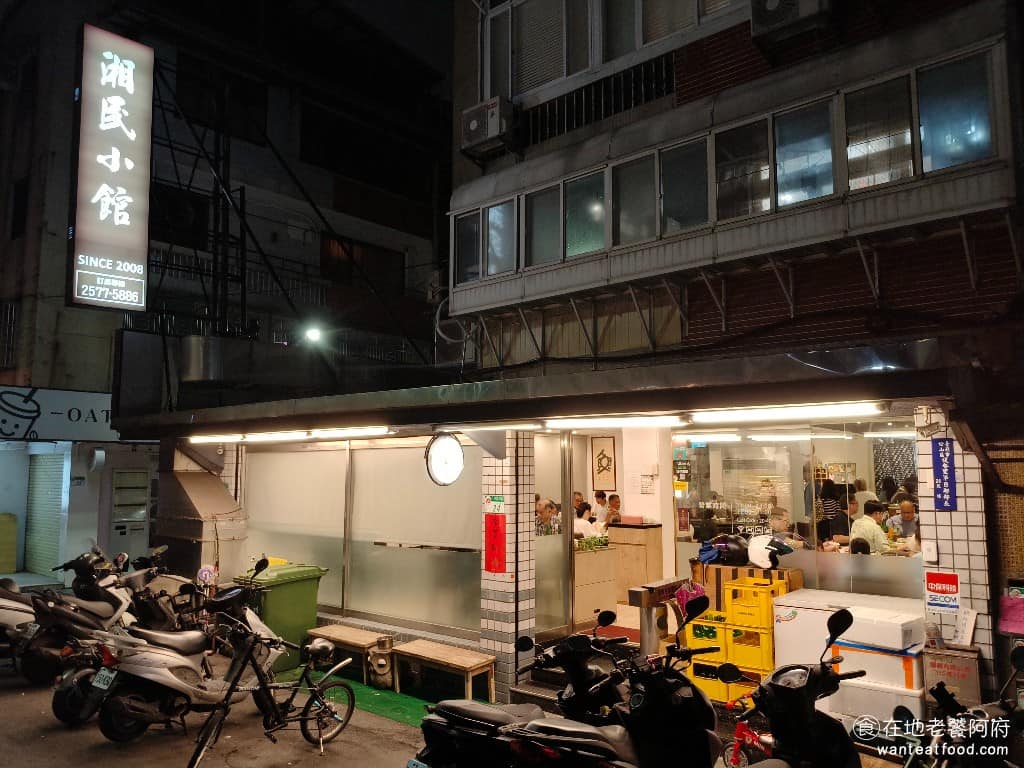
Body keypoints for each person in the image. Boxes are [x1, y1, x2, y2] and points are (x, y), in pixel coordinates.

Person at [815, 479, 842, 546]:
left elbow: (818, 513)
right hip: (834, 524)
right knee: (834, 543)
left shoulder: (821, 500)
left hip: (823, 525)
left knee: (825, 544)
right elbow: (838, 512)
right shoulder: (836, 500)